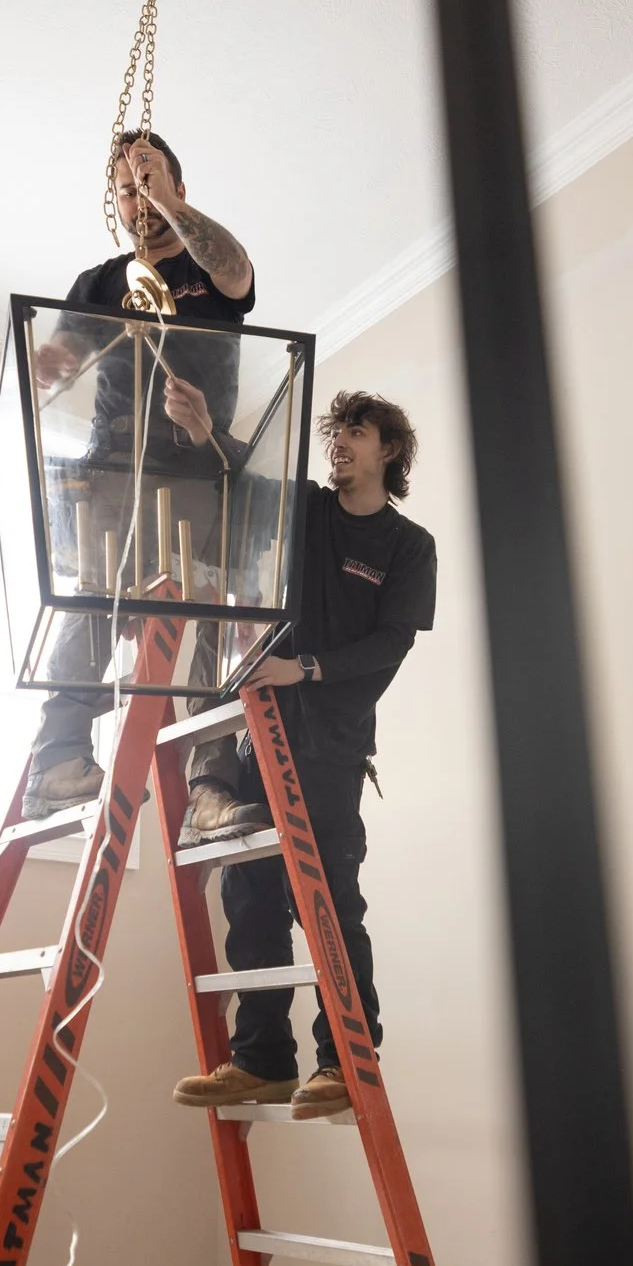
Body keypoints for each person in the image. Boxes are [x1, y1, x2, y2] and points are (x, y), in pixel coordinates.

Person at [172, 391, 436, 1120]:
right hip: (262, 732)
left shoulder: (408, 547)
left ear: (390, 450)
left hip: (330, 746)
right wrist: (204, 430)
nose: (340, 442)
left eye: (356, 431)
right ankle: (262, 1061)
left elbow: (391, 646)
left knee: (327, 900)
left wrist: (307, 668)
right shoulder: (311, 512)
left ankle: (345, 1063)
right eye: (335, 432)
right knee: (249, 895)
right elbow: (250, 481)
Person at [19, 129, 273, 851]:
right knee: (90, 604)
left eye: (151, 180)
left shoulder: (209, 267)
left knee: (210, 620)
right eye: (126, 187)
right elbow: (57, 363)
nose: (138, 198)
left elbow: (237, 272)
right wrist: (43, 366)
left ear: (178, 188)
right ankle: (60, 757)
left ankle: (209, 788)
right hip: (114, 469)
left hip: (198, 464)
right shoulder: (100, 283)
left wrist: (160, 187)